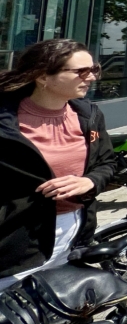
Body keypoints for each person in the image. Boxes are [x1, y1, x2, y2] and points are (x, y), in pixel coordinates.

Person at [0, 39, 115, 291]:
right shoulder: (5, 122)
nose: (92, 78)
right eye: (81, 72)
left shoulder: (89, 115)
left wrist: (89, 181)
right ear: (43, 76)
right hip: (16, 245)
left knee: (62, 319)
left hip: (75, 235)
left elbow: (107, 163)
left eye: (94, 69)